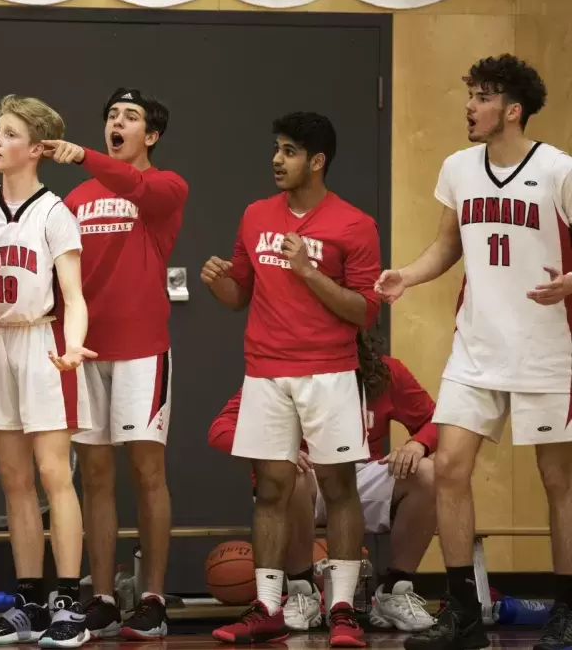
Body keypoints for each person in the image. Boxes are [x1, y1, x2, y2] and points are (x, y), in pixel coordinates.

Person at [375, 54, 572, 650]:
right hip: (476, 347)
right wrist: (407, 276)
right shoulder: (459, 168)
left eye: (482, 96)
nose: (469, 105)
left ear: (511, 111)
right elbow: (446, 246)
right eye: (470, 94)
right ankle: (463, 611)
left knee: (557, 480)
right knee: (450, 470)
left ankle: (566, 608)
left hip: (549, 350)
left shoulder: (560, 170)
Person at [201, 111, 381, 647]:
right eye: (276, 149)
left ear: (317, 161)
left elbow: (364, 312)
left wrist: (309, 271)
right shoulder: (256, 215)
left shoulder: (355, 224)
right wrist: (220, 286)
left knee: (338, 485)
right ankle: (267, 607)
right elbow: (240, 295)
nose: (276, 160)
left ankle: (344, 608)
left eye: (289, 151)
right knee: (272, 489)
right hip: (265, 372)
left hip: (329, 371)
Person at [41, 87, 188, 640]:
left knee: (148, 472)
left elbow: (129, 182)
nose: (117, 123)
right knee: (94, 477)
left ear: (150, 135)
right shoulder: (75, 200)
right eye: (111, 116)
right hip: (84, 349)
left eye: (130, 117)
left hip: (143, 350)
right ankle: (100, 596)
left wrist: (81, 154)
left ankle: (152, 597)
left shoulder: (166, 187)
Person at [0, 95, 92, 649]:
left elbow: (75, 296)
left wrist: (74, 344)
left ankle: (68, 600)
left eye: (9, 133)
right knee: (13, 480)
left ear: (36, 148)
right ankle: (31, 600)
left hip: (43, 343)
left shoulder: (55, 212)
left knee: (53, 474)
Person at [208, 330, 437, 633]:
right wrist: (278, 450)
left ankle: (395, 592)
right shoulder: (279, 373)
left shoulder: (386, 371)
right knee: (291, 473)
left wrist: (418, 444)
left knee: (428, 472)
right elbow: (221, 428)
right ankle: (302, 592)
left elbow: (437, 420)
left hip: (360, 475)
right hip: (306, 480)